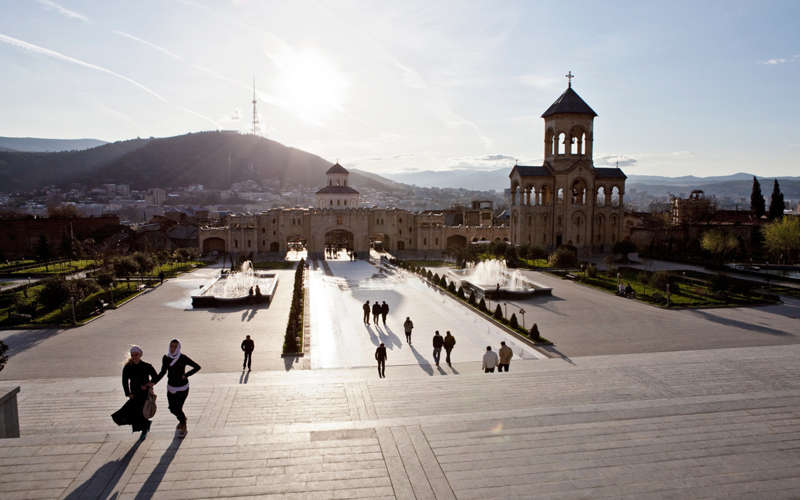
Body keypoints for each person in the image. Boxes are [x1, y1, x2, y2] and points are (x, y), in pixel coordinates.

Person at [154, 339, 201, 438]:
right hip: (171, 387)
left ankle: (183, 425)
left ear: (178, 348)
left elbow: (197, 367)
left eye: (175, 346)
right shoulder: (166, 358)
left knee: (178, 408)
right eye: (171, 346)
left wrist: (186, 375)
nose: (173, 348)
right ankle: (183, 419)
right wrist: (153, 382)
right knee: (172, 409)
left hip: (183, 388)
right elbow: (163, 372)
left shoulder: (183, 357)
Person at [112, 345, 158, 440]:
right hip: (134, 393)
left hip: (145, 393)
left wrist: (148, 385)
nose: (134, 357)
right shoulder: (128, 367)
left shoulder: (146, 366)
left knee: (142, 411)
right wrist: (128, 393)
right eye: (132, 355)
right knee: (131, 412)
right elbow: (124, 381)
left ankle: (144, 430)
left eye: (136, 354)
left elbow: (156, 377)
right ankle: (146, 425)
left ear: (140, 355)